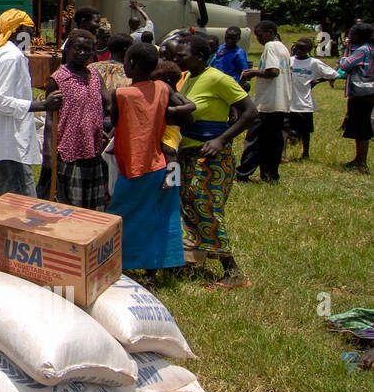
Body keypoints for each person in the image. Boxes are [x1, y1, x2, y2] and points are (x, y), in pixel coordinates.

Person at [175, 32, 257, 287]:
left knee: (207, 209)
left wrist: (222, 139)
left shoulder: (218, 79)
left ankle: (233, 271)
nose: (177, 59)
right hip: (189, 153)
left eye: (182, 55)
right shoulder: (188, 78)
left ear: (200, 56)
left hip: (211, 157)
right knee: (189, 208)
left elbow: (250, 111)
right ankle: (192, 259)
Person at [107, 43, 193, 276]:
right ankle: (152, 272)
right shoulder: (164, 89)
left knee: (121, 218)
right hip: (163, 164)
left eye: (126, 61)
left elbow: (114, 122)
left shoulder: (121, 94)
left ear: (131, 64)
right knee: (160, 217)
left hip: (136, 166)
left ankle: (118, 265)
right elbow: (187, 108)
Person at [0, 9, 62, 201]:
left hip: (0, 143)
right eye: (29, 29)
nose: (32, 34)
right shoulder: (10, 57)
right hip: (9, 146)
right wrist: (41, 106)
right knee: (20, 204)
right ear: (18, 30)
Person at [43, 29, 109, 210]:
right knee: (71, 205)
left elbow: (108, 103)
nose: (82, 53)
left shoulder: (94, 76)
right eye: (77, 48)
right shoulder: (58, 79)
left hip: (93, 149)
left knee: (93, 205)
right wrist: (48, 152)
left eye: (87, 50)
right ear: (68, 50)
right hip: (69, 150)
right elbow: (50, 118)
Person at [235, 20, 292, 183]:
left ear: (271, 33)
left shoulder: (271, 47)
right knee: (273, 141)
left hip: (268, 103)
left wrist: (252, 73)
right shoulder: (283, 47)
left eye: (260, 35)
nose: (259, 39)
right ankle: (270, 174)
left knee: (255, 139)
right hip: (281, 102)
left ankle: (243, 172)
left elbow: (273, 71)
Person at [287, 38, 336, 160]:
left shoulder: (314, 63)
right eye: (296, 48)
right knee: (285, 128)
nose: (298, 51)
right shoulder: (289, 61)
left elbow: (333, 74)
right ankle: (283, 153)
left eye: (302, 49)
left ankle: (305, 153)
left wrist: (317, 81)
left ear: (309, 50)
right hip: (288, 102)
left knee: (305, 131)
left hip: (304, 102)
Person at [337, 21, 374, 174]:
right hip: (370, 93)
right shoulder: (372, 49)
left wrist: (345, 54)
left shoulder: (362, 50)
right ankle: (358, 159)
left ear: (359, 36)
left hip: (361, 93)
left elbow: (345, 65)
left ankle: (361, 163)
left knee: (361, 128)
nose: (349, 37)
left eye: (352, 34)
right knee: (363, 125)